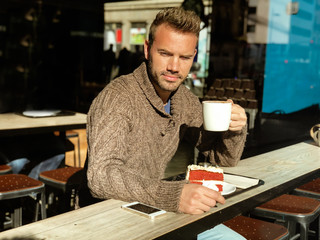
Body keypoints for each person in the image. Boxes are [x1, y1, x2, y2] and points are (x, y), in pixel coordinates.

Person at [78, 7, 247, 239]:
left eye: (185, 57)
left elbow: (223, 158)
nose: (174, 67)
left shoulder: (184, 100)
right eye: (165, 53)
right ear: (148, 49)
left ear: (194, 56)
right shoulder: (118, 97)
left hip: (154, 211)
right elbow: (101, 178)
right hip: (106, 220)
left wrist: (234, 130)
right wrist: (173, 195)